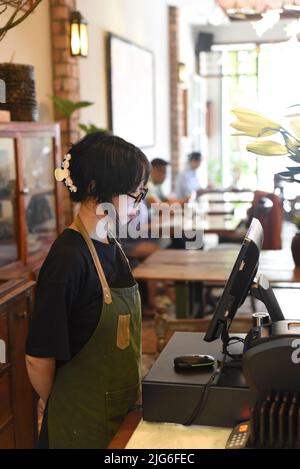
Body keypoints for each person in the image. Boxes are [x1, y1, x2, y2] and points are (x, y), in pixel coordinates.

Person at [25, 132, 151, 449]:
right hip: (80, 424)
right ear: (95, 187)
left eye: (141, 192)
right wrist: (63, 401)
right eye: (134, 193)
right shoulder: (68, 258)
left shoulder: (111, 245)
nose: (140, 202)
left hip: (118, 411)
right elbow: (38, 357)